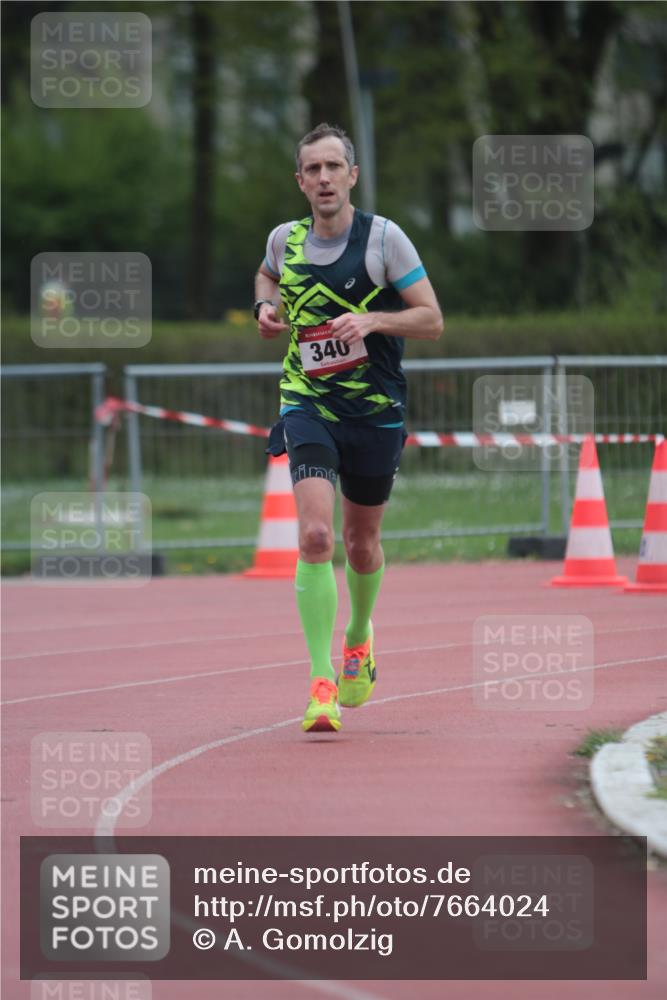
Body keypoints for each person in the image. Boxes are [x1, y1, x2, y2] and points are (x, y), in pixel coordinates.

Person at [254, 123, 443, 734]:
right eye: (313, 170)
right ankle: (320, 681)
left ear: (352, 175)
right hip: (306, 402)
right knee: (314, 537)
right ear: (300, 181)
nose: (324, 179)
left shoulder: (384, 240)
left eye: (334, 167)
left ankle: (360, 637)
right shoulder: (286, 239)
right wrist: (265, 307)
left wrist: (372, 322)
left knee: (361, 544)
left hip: (374, 411)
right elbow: (266, 276)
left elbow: (432, 320)